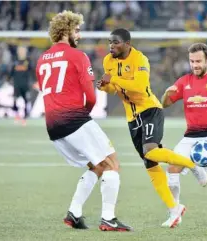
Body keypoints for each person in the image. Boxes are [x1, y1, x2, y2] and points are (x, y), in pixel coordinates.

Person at [35, 11, 132, 232]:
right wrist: (84, 115)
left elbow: (46, 92)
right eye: (76, 30)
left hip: (52, 125)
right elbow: (91, 97)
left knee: (97, 166)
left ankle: (74, 213)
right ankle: (109, 218)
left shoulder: (42, 59)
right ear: (66, 30)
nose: (79, 35)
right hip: (74, 119)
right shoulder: (77, 56)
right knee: (111, 164)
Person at [99, 28, 204, 228]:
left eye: (116, 42)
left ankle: (192, 164)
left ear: (127, 44)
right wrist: (105, 86)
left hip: (150, 110)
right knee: (150, 164)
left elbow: (138, 86)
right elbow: (115, 89)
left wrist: (112, 80)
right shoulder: (108, 61)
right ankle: (174, 209)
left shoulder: (140, 60)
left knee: (151, 151)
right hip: (133, 119)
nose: (111, 46)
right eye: (109, 42)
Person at [160, 43, 207, 227]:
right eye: (192, 61)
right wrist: (166, 95)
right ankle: (174, 211)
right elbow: (166, 104)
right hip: (191, 135)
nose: (195, 65)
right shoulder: (184, 81)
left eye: (199, 61)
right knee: (172, 168)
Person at [9, 46, 32, 126]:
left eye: (23, 51)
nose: (21, 52)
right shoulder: (15, 61)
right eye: (20, 51)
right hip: (16, 85)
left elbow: (32, 72)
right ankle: (16, 116)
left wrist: (35, 81)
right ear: (18, 52)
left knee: (26, 101)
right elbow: (11, 73)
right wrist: (7, 80)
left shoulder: (28, 62)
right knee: (15, 101)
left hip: (25, 85)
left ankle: (24, 118)